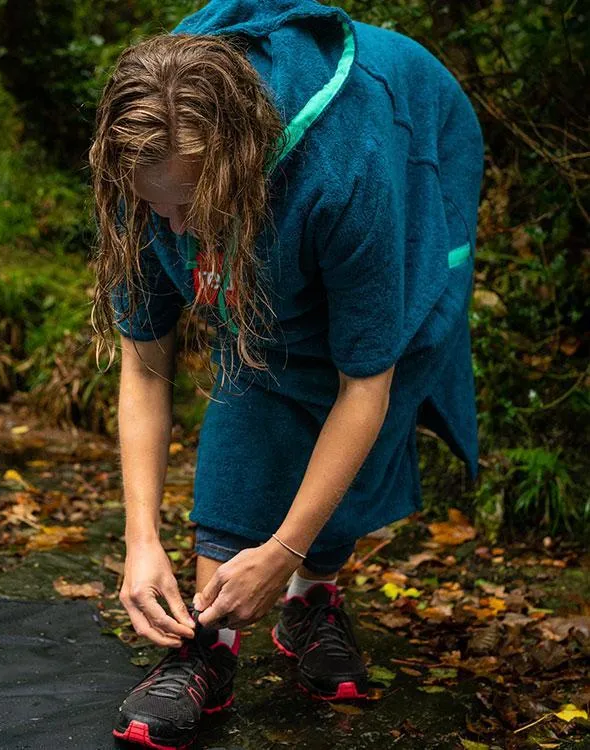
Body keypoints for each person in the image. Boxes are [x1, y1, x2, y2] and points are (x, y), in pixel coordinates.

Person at [89, 0, 484, 747]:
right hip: (270, 216)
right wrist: (141, 539)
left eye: (188, 205)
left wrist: (287, 552)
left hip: (417, 142)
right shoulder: (144, 156)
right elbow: (145, 365)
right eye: (155, 209)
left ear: (238, 166)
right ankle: (209, 643)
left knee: (381, 359)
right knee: (256, 359)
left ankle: (312, 597)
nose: (175, 228)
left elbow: (364, 383)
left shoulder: (346, 169)